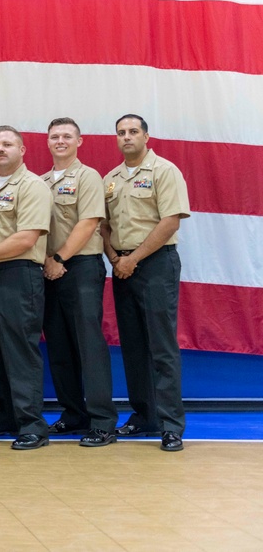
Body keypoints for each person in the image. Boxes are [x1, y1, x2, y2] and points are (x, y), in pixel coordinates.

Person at [101, 114, 190, 452]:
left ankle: (171, 426)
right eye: (121, 132)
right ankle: (144, 416)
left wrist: (132, 259)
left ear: (146, 136)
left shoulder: (164, 171)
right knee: (134, 345)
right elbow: (104, 226)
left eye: (133, 131)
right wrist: (115, 258)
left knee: (161, 346)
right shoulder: (110, 179)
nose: (127, 137)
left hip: (154, 265)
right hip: (122, 265)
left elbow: (170, 221)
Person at [0, 126, 52, 450]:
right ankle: (5, 417)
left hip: (19, 274)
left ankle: (32, 425)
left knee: (20, 351)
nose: (0, 150)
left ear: (22, 149)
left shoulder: (32, 186)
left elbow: (27, 237)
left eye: (7, 144)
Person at [40, 118, 118, 447]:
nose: (60, 141)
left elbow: (89, 223)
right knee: (58, 346)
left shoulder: (88, 177)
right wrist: (48, 263)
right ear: (47, 142)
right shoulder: (40, 182)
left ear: (79, 141)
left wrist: (59, 259)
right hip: (46, 269)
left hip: (80, 266)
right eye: (55, 136)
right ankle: (73, 413)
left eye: (66, 136)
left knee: (89, 346)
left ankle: (102, 421)